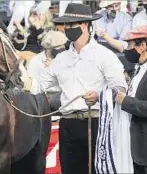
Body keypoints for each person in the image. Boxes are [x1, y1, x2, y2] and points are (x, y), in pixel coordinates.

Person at [19, 3, 128, 174]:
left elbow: (120, 88)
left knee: (97, 170)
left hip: (96, 122)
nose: (67, 29)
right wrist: (20, 77)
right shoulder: (61, 59)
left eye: (71, 25)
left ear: (84, 25)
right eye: (66, 25)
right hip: (68, 123)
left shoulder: (104, 55)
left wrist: (99, 96)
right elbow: (39, 85)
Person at [115, 25, 147, 174]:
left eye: (130, 44)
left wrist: (125, 101)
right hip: (135, 147)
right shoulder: (138, 68)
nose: (127, 49)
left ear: (143, 46)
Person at [25, 30, 66, 111]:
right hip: (44, 97)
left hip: (63, 95)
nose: (62, 50)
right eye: (58, 48)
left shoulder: (66, 58)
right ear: (48, 48)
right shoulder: (36, 61)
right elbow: (33, 87)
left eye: (63, 47)